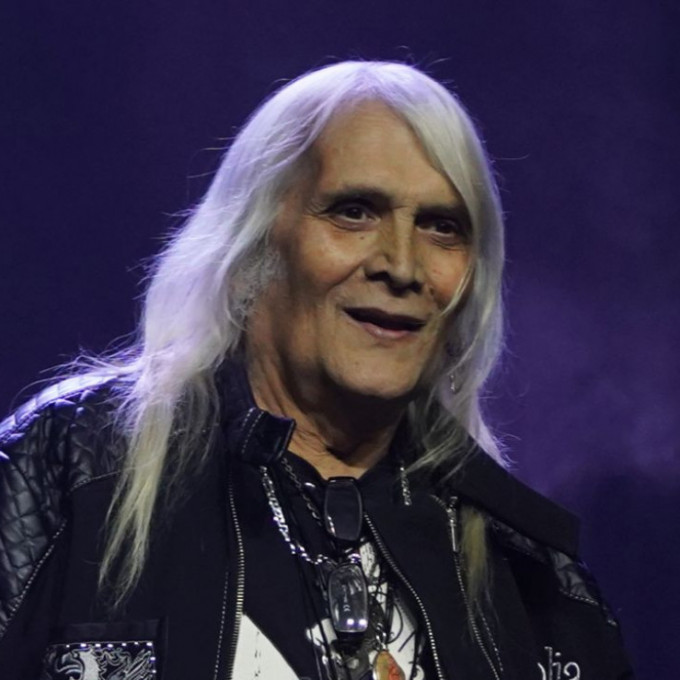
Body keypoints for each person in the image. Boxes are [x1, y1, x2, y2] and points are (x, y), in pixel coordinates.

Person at [0, 61, 633, 680]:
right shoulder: (75, 460)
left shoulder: (530, 573)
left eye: (442, 227)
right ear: (252, 245)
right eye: (354, 211)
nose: (402, 265)